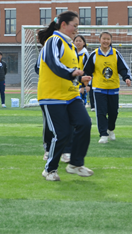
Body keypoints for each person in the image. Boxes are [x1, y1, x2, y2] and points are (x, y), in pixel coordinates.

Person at [35, 11, 94, 181]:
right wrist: (71, 73)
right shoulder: (53, 41)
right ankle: (50, 169)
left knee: (84, 123)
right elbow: (54, 64)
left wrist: (79, 78)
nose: (76, 29)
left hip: (71, 95)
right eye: (74, 25)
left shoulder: (70, 46)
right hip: (52, 96)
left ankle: (75, 164)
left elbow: (69, 72)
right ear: (63, 25)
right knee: (61, 134)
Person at [83, 32, 132, 144]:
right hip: (99, 88)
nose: (105, 41)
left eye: (108, 39)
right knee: (101, 112)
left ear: (111, 40)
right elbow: (87, 70)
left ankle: (110, 129)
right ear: (99, 40)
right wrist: (85, 82)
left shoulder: (115, 53)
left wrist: (126, 78)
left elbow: (123, 68)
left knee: (113, 112)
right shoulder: (94, 54)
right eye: (103, 39)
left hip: (113, 88)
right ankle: (103, 134)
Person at [74, 35, 89, 106]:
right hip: (72, 82)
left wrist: (83, 86)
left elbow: (87, 71)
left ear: (84, 43)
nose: (78, 42)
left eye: (80, 41)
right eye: (76, 41)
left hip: (81, 83)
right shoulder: (71, 53)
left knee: (81, 103)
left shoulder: (85, 55)